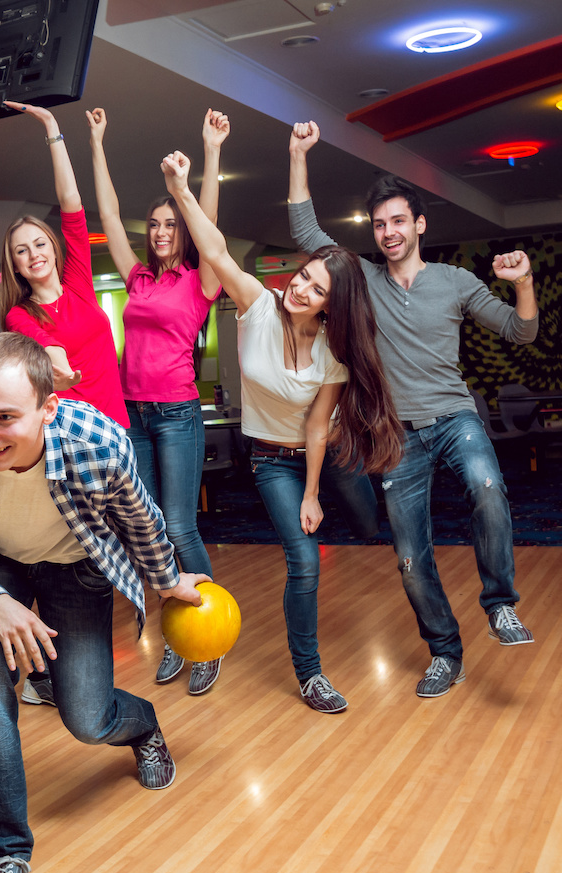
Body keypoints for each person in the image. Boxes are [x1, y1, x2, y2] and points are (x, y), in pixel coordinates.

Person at [0, 332, 208, 873]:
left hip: (77, 565)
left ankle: (142, 726)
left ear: (48, 408)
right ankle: (5, 853)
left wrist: (169, 579)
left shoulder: (98, 443)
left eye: (4, 419)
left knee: (85, 716)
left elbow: (141, 519)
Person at [288, 121, 540, 699]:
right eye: (379, 224)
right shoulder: (364, 279)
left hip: (455, 418)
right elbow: (306, 230)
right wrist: (299, 154)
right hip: (396, 436)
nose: (389, 232)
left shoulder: (453, 281)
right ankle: (445, 652)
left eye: (399, 220)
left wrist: (523, 283)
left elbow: (520, 332)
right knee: (408, 556)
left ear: (419, 224)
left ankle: (500, 605)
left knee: (488, 487)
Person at [162, 150, 402, 714]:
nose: (300, 290)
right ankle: (311, 674)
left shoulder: (334, 352)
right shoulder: (257, 307)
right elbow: (216, 250)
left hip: (331, 453)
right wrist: (181, 190)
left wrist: (316, 492)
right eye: (303, 277)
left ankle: (368, 505)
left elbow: (320, 425)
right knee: (307, 558)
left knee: (369, 524)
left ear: (330, 305)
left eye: (316, 289)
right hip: (271, 461)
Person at [87, 105, 226, 695]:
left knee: (181, 528)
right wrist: (96, 141)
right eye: (158, 224)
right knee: (149, 533)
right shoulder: (139, 279)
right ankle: (175, 638)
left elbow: (210, 227)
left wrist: (210, 154)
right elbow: (110, 216)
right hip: (134, 417)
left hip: (176, 413)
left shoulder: (202, 280)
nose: (163, 231)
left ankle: (209, 638)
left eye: (173, 223)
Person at [0, 100, 126, 709]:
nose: (33, 254)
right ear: (15, 266)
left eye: (37, 244)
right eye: (21, 251)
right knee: (76, 551)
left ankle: (74, 655)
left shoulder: (78, 281)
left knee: (126, 535)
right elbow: (43, 368)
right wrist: (55, 366)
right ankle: (53, 667)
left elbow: (74, 205)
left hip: (116, 432)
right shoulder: (22, 316)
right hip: (71, 442)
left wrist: (54, 132)